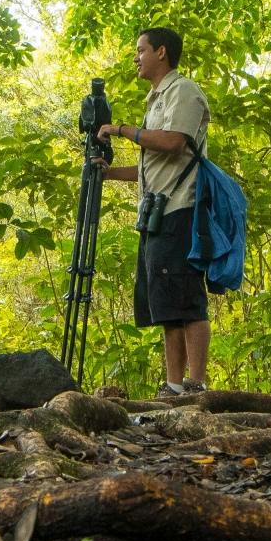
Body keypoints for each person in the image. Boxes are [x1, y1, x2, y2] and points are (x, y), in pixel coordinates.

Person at [94, 27, 212, 396]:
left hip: (181, 211)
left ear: (161, 52)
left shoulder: (184, 92)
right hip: (157, 213)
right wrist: (108, 173)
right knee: (166, 304)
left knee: (187, 298)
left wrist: (120, 129)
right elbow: (151, 167)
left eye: (141, 50)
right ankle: (174, 386)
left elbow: (174, 143)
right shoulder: (155, 98)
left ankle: (196, 384)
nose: (136, 57)